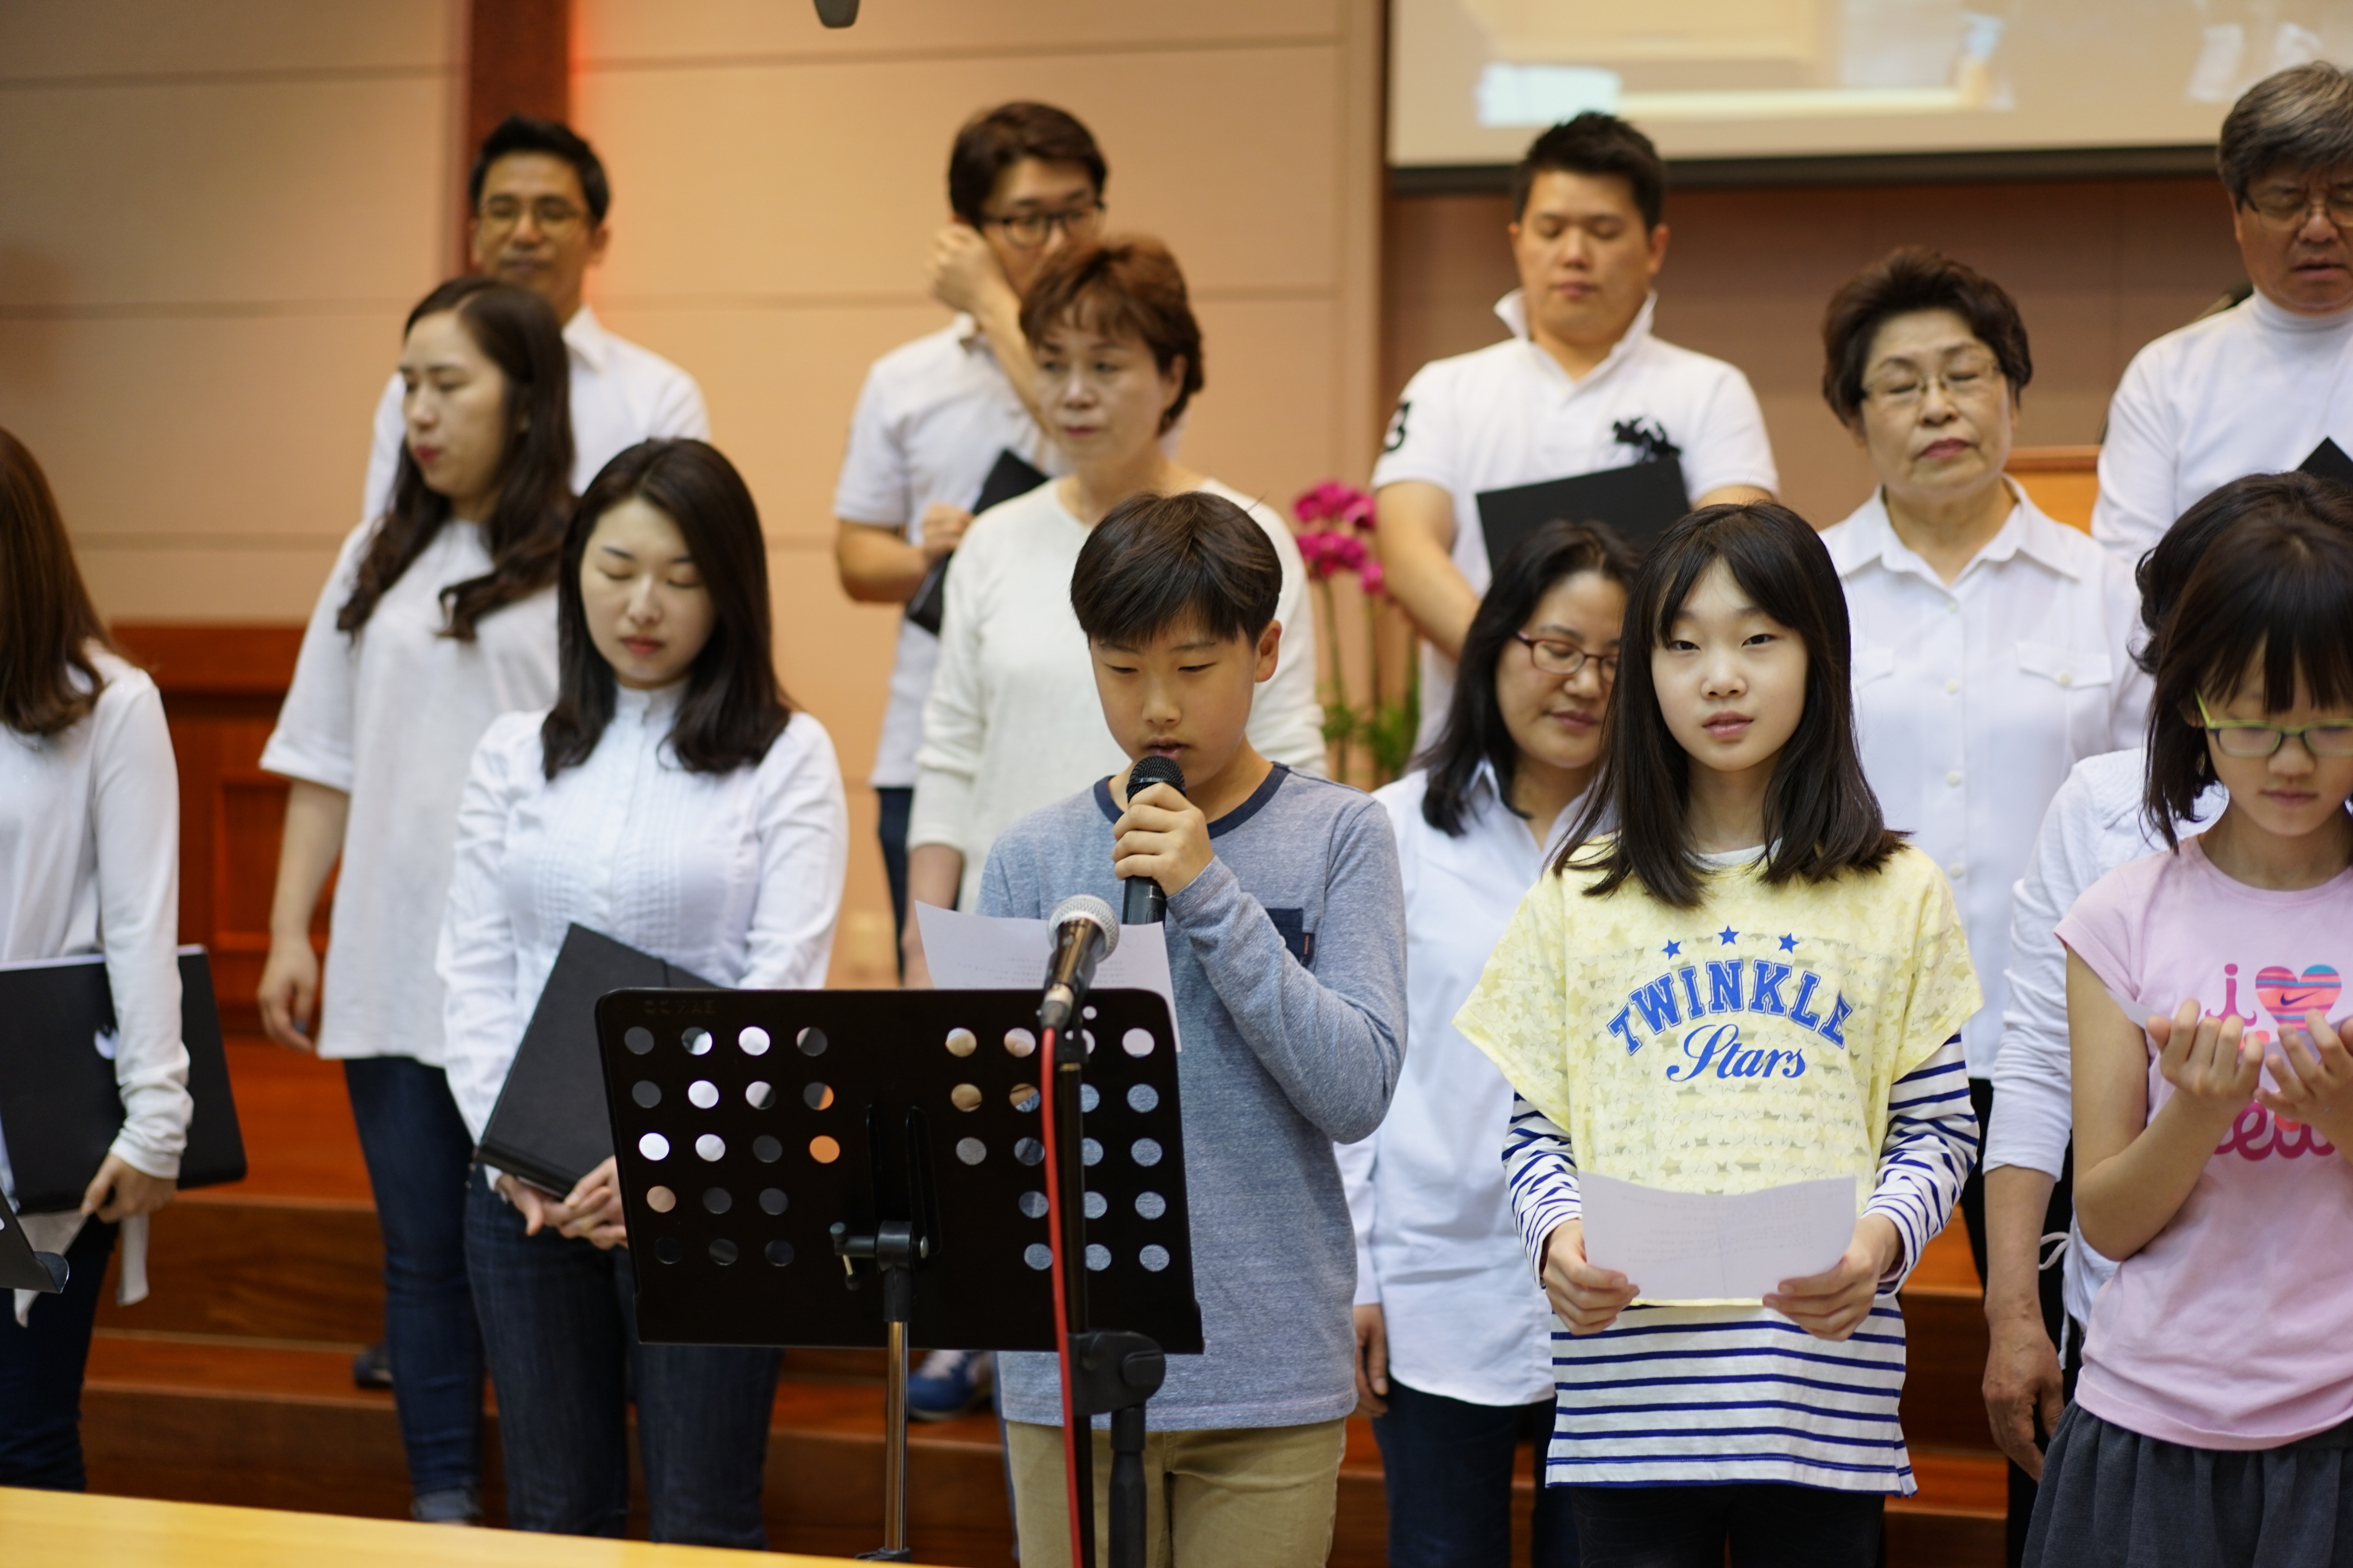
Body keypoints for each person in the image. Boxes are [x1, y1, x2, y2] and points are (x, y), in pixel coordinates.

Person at [1458, 503, 1982, 1567]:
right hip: (1628, 1410)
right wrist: (1559, 1241)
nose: (1721, 677)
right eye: (1684, 646)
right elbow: (1535, 1133)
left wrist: (1878, 1246)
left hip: (1820, 1395)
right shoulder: (1580, 891)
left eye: (1758, 639)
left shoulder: (1899, 890)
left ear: (1819, 656)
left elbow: (1937, 1131)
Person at [983, 489, 1405, 1567]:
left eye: (1194, 665)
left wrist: (1209, 891)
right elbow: (989, 1126)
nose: (1157, 706)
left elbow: (1357, 1090)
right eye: (1122, 669)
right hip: (1067, 1361)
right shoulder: (1030, 857)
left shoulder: (1343, 835)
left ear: (1265, 651)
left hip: (1266, 1369)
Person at [438, 439, 846, 1545]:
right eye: (617, 569)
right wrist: (508, 1151)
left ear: (731, 588)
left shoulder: (787, 754)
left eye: (682, 575)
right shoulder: (514, 751)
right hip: (526, 1191)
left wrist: (665, 1161)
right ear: (577, 571)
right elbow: (474, 966)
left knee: (702, 1520)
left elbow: (781, 990)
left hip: (720, 1187)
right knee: (555, 1517)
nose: (644, 605)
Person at [1813, 246, 2149, 1552]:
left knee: (2053, 1364)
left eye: (1963, 374)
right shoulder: (1805, 594)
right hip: (1847, 1041)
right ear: (1854, 415)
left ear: (2012, 388)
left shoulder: (2109, 592)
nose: (1938, 406)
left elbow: (2152, 818)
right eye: (1900, 384)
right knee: (1823, 1344)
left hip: (2053, 1044)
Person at [256, 276, 575, 1525]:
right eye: (408, 386)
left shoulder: (580, 558)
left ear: (526, 399)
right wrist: (290, 926)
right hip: (390, 953)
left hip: (530, 966)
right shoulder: (375, 552)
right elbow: (322, 755)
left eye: (450, 385)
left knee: (538, 1257)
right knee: (419, 1257)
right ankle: (440, 1504)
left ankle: (556, 1514)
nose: (420, 413)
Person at [1977, 476, 2345, 1557]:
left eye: (2329, 719)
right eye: (2257, 719)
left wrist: (2340, 1111)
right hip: (2152, 1408)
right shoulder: (2121, 909)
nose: (2291, 757)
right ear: (2195, 702)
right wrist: (2194, 1111)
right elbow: (2105, 1217)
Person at [1338, 518, 1637, 1568]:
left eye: (1616, 659)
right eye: (1559, 648)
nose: (1586, 683)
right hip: (1436, 1275)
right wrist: (1357, 1270)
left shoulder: (1666, 845)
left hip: (1619, 1286)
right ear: (1494, 641)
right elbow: (1351, 1070)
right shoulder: (1389, 832)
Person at [902, 237, 1322, 959]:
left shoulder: (1247, 535)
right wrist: (922, 937)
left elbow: (1289, 748)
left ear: (1172, 374)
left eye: (1104, 365)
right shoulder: (992, 539)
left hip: (1198, 931)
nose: (1073, 392)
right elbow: (952, 748)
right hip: (1015, 922)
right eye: (1052, 364)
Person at [1372, 112, 1777, 752]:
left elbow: (1732, 559)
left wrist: (1611, 677)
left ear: (1654, 247)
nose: (1574, 253)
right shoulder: (1444, 387)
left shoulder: (1710, 389)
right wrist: (1524, 671)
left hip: (1649, 752)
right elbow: (1407, 551)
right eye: (1551, 229)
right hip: (1474, 750)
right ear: (1517, 240)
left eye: (1603, 231)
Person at [834, 101, 1108, 963]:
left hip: (1089, 739)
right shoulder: (905, 379)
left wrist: (995, 303)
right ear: (968, 229)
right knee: (945, 1003)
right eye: (1028, 220)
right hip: (931, 747)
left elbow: (1091, 439)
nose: (1057, 243)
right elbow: (854, 554)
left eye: (1077, 212)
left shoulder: (1127, 369)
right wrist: (931, 557)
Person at [0, 427, 191, 1491]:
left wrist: (158, 1117)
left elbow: (140, 923)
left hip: (35, 1138)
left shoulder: (109, 702)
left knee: (22, 1435)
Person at [362, 115, 706, 520]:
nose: (525, 233)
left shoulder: (659, 397)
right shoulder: (417, 390)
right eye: (503, 211)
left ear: (597, 241)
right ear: (475, 238)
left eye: (553, 212)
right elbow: (386, 533)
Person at [2091, 62, 2353, 563]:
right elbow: (2128, 573)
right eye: (2286, 201)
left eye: (2346, 197)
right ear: (2237, 213)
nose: (2319, 228)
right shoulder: (2167, 377)